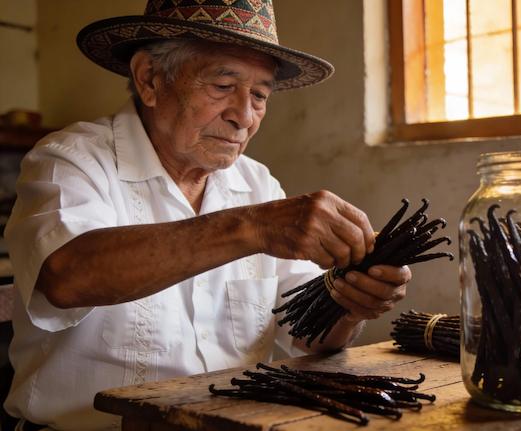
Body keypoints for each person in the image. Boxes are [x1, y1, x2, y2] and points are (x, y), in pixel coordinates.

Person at [2, 1, 411, 430]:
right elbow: (69, 277)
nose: (243, 116)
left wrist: (349, 306)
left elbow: (305, 334)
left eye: (259, 95)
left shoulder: (257, 185)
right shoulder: (71, 160)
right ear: (149, 79)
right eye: (221, 85)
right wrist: (251, 227)